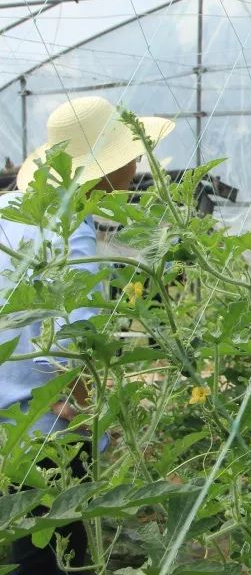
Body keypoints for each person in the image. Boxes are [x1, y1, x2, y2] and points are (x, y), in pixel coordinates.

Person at [1, 96, 173, 574]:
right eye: (130, 156)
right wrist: (87, 412)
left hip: (6, 426)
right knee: (54, 557)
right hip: (49, 431)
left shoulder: (9, 210)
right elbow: (76, 341)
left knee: (25, 545)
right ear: (107, 167)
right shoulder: (74, 227)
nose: (137, 166)